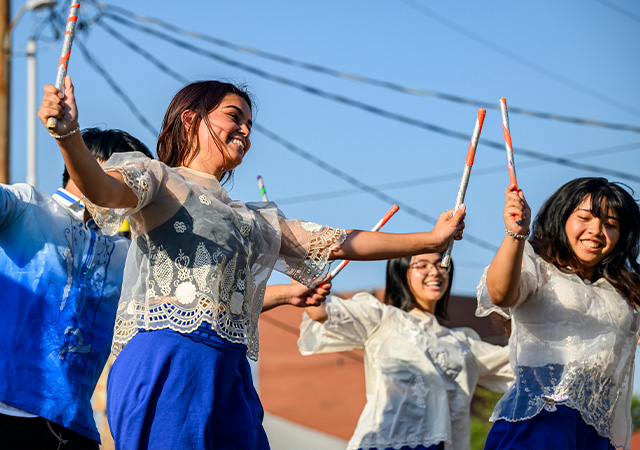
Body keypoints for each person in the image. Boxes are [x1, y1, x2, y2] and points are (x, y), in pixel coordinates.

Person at [38, 76, 466, 450]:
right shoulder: (158, 178)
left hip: (231, 368)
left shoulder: (253, 218)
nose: (244, 130)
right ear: (191, 119)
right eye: (233, 116)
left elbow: (339, 241)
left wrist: (430, 237)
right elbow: (101, 189)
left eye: (249, 124)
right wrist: (69, 137)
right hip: (169, 357)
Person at [0, 128, 153, 449]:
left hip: (77, 429)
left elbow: (196, 302)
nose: (133, 194)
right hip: (6, 410)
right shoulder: (26, 207)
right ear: (88, 164)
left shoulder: (128, 255)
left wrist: (287, 294)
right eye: (129, 178)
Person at [476, 178, 640, 450]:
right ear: (562, 217)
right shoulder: (539, 267)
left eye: (610, 224)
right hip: (540, 423)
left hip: (596, 434)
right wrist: (516, 233)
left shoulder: (626, 290)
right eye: (585, 217)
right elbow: (501, 294)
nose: (597, 230)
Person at [299, 252, 513, 450]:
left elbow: (520, 366)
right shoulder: (382, 318)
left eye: (442, 265)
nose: (435, 271)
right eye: (422, 265)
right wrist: (295, 259)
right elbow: (320, 312)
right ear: (401, 273)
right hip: (387, 442)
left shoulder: (463, 343)